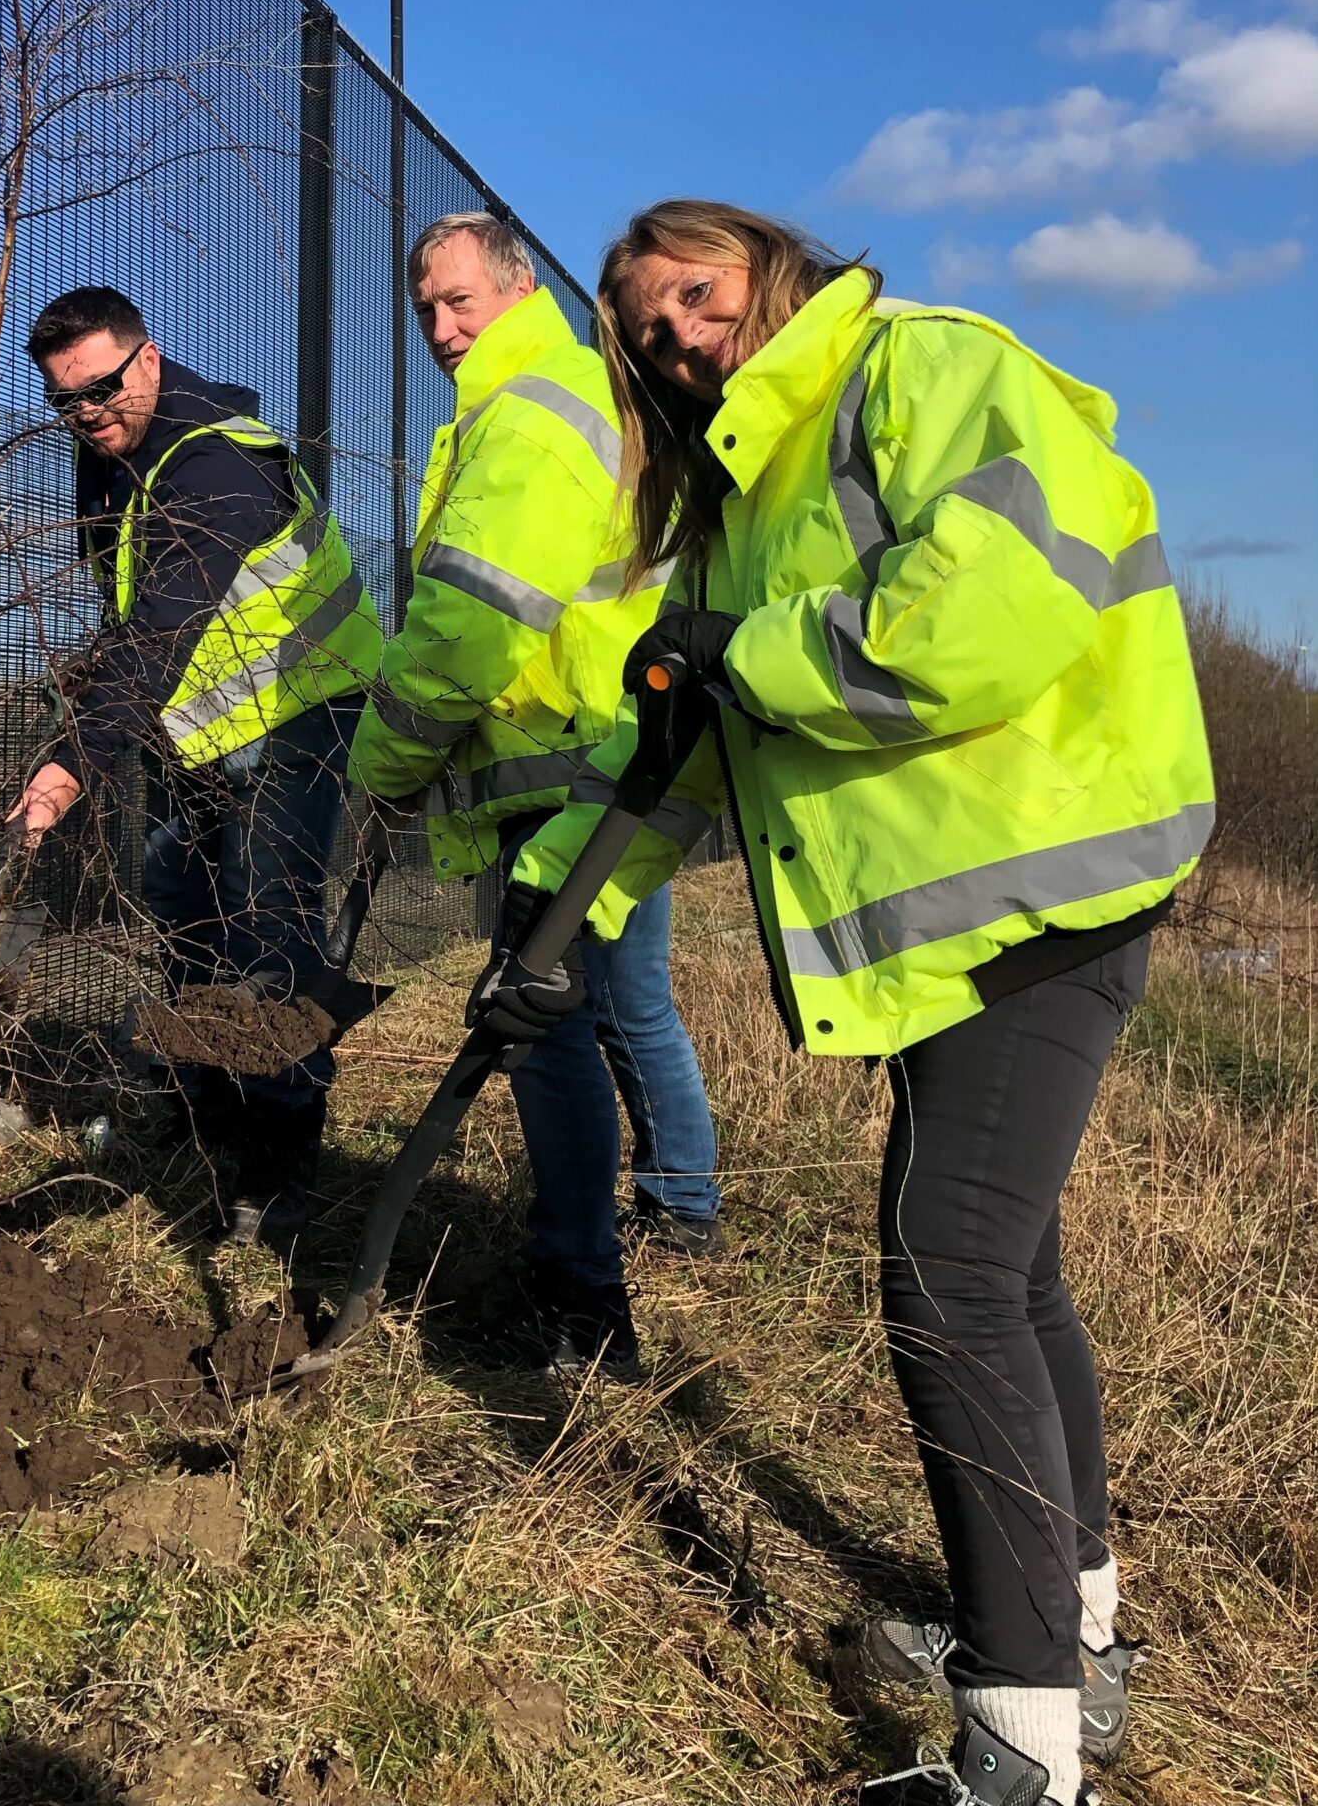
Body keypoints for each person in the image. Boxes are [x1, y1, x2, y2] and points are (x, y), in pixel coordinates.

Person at [495, 201, 1211, 1806]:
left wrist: (738, 651)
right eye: (648, 328)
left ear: (769, 263)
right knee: (1003, 1273)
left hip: (1042, 890)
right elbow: (683, 765)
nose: (677, 333)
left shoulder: (919, 371)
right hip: (970, 927)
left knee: (946, 1275)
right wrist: (549, 904)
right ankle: (1075, 1641)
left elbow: (981, 614)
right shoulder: (746, 501)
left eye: (695, 290)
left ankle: (1020, 1743)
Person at [346, 212, 722, 1378]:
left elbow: (470, 627)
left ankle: (583, 1295)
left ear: (518, 291)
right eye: (424, 312)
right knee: (622, 1000)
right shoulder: (559, 396)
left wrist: (383, 770)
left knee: (545, 1024)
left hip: (564, 770)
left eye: (460, 301)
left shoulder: (527, 415)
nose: (442, 328)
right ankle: (684, 1206)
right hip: (607, 754)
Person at [10, 286, 383, 1243]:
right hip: (202, 727)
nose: (88, 415)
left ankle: (281, 1164)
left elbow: (161, 631)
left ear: (148, 358)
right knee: (180, 900)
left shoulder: (218, 462)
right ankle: (203, 1104)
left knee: (265, 928)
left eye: (100, 389)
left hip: (300, 710)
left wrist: (73, 762)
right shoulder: (107, 461)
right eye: (65, 402)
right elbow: (126, 617)